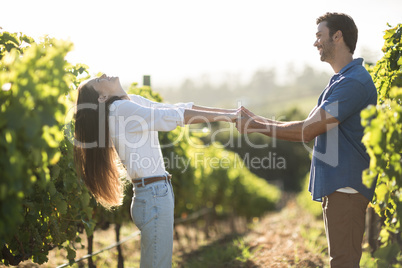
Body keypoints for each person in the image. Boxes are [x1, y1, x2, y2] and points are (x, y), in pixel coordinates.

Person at [236, 12, 377, 268]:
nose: (316, 43)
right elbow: (305, 126)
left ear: (338, 36)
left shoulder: (353, 83)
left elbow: (307, 131)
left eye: (319, 36)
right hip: (339, 190)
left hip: (347, 189)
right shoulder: (340, 81)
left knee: (343, 263)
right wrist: (256, 121)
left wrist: (255, 125)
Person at [73, 74, 237, 268]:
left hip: (155, 195)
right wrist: (231, 116)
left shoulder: (131, 102)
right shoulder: (120, 110)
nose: (102, 75)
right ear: (101, 98)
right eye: (98, 81)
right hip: (153, 197)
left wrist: (232, 113)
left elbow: (177, 109)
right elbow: (171, 117)